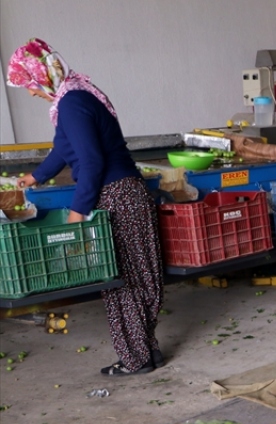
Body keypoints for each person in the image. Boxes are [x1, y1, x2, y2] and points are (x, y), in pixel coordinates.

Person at [7, 38, 164, 375]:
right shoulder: (76, 96)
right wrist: (32, 178)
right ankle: (148, 351)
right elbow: (65, 149)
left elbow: (91, 162)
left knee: (122, 282)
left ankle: (135, 360)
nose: (32, 94)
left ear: (42, 77)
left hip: (116, 197)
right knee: (139, 278)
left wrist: (78, 212)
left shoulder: (72, 104)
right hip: (128, 193)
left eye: (29, 86)